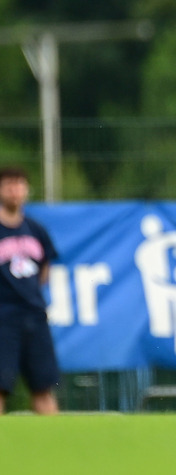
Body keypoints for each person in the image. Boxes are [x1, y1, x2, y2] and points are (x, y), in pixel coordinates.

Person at [0, 166, 60, 415]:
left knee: (43, 387)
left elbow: (45, 269)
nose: (15, 190)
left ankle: (56, 448)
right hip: (3, 317)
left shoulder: (36, 230)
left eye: (19, 185)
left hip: (34, 315)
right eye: (9, 185)